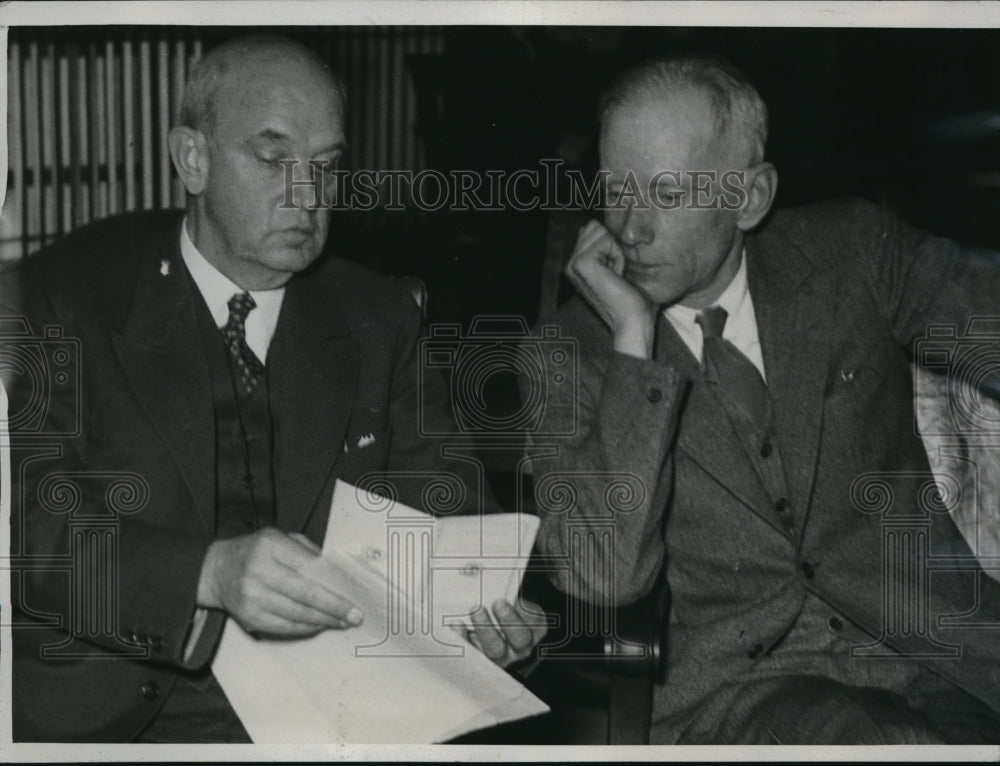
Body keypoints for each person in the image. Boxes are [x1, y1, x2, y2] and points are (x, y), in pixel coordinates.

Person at [6, 35, 544, 743]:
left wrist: (490, 617)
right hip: (123, 719)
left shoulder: (378, 317)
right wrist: (209, 572)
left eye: (327, 167)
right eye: (273, 159)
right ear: (191, 159)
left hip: (336, 716)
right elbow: (33, 538)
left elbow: (452, 520)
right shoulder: (67, 299)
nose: (308, 196)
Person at [529, 52, 1000, 744]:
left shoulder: (852, 252)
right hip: (743, 696)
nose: (629, 229)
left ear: (748, 198)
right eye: (615, 190)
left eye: (666, 195)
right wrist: (632, 339)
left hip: (942, 658)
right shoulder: (563, 351)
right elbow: (603, 577)